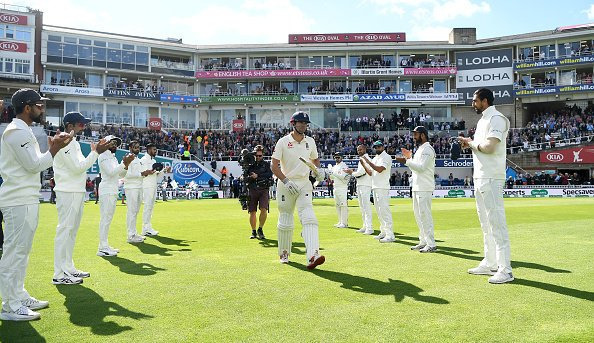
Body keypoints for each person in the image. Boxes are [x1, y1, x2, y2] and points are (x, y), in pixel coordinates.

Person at [0, 88, 72, 321]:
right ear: (27, 107)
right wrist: (54, 149)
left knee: (22, 252)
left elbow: (33, 164)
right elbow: (33, 165)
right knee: (14, 253)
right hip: (17, 199)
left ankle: (18, 295)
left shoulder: (23, 130)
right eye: (39, 105)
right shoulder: (15, 132)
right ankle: (9, 306)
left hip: (26, 197)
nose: (43, 109)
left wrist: (53, 149)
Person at [458, 88, 513, 284]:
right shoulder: (483, 120)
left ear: (485, 100)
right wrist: (470, 143)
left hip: (491, 177)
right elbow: (480, 146)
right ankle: (489, 263)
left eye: (475, 100)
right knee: (486, 224)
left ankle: (505, 269)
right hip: (481, 177)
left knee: (496, 223)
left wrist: (471, 143)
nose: (473, 103)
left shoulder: (497, 118)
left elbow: (489, 148)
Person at [52, 111, 110, 285]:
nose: (83, 127)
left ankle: (68, 267)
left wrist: (94, 154)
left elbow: (80, 168)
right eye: (81, 124)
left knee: (71, 231)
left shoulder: (73, 142)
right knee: (65, 230)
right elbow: (78, 168)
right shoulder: (65, 141)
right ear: (70, 126)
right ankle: (58, 273)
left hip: (75, 190)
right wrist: (96, 153)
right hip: (67, 191)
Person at [270, 111, 326, 269]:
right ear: (293, 123)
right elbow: (273, 165)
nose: (303, 125)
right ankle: (284, 252)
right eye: (300, 122)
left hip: (304, 183)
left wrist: (318, 171)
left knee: (309, 218)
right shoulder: (283, 142)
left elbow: (315, 160)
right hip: (286, 184)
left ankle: (313, 255)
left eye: (305, 123)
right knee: (286, 220)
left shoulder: (310, 141)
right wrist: (285, 180)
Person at [396, 126, 437, 253]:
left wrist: (406, 161)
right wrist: (409, 159)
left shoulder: (428, 149)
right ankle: (423, 241)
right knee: (418, 215)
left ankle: (431, 243)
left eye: (416, 134)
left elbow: (421, 168)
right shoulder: (420, 149)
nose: (414, 137)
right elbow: (415, 168)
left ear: (423, 135)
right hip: (417, 186)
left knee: (425, 215)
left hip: (424, 187)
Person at [97, 135, 134, 257]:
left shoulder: (112, 158)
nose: (114, 146)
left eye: (116, 144)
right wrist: (124, 163)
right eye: (112, 143)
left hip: (112, 190)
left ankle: (105, 245)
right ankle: (102, 248)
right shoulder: (103, 156)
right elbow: (111, 172)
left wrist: (126, 165)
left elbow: (120, 175)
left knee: (108, 219)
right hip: (107, 190)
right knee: (105, 219)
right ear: (106, 144)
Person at [360, 141, 395, 243]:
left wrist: (367, 161)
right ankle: (383, 232)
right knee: (379, 211)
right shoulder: (375, 158)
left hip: (383, 187)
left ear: (383, 147)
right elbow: (371, 173)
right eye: (375, 147)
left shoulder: (387, 157)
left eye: (379, 147)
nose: (377, 148)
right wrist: (364, 165)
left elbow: (380, 169)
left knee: (384, 211)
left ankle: (390, 235)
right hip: (375, 187)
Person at [345, 144, 373, 235]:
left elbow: (362, 172)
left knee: (366, 207)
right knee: (362, 207)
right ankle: (365, 226)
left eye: (361, 149)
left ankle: (370, 228)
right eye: (358, 150)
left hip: (365, 185)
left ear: (365, 149)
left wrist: (352, 172)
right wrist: (354, 172)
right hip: (360, 184)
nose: (359, 151)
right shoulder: (362, 159)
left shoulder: (366, 159)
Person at [246, 145, 272, 240]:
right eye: (256, 155)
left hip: (263, 189)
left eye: (260, 155)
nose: (258, 157)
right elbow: (245, 177)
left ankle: (260, 229)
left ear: (263, 155)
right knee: (252, 212)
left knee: (264, 209)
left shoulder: (266, 165)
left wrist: (258, 176)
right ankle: (253, 231)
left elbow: (269, 174)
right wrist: (250, 177)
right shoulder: (249, 165)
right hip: (252, 189)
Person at [124, 140, 146, 243]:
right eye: (135, 147)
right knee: (131, 211)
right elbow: (126, 174)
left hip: (139, 187)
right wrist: (141, 174)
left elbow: (139, 173)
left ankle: (134, 232)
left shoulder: (138, 159)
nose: (137, 149)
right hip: (131, 187)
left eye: (138, 147)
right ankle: (130, 235)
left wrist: (145, 173)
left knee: (136, 211)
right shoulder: (128, 158)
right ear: (130, 148)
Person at [140, 143, 161, 237]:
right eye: (154, 149)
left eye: (155, 150)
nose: (155, 151)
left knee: (151, 207)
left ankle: (148, 227)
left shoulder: (154, 160)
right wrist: (150, 172)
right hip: (147, 185)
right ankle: (145, 228)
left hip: (153, 185)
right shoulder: (143, 160)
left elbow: (157, 174)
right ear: (148, 150)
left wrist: (163, 171)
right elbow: (143, 173)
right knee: (147, 207)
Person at [329, 152, 349, 228]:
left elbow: (343, 177)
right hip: (336, 187)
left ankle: (344, 223)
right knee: (337, 205)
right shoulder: (335, 166)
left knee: (343, 205)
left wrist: (333, 172)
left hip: (342, 187)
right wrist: (330, 173)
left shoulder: (344, 166)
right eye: (336, 157)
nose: (337, 159)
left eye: (338, 157)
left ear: (341, 157)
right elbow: (332, 178)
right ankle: (340, 221)